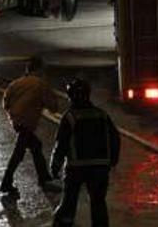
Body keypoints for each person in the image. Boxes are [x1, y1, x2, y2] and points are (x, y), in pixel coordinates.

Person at [50, 78, 121, 227]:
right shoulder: (102, 115)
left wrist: (55, 166)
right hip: (100, 168)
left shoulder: (69, 117)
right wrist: (113, 161)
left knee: (69, 203)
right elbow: (115, 138)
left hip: (76, 168)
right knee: (98, 203)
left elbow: (61, 144)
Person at [0, 56, 60, 195]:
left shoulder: (15, 83)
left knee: (35, 146)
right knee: (19, 153)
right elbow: (53, 107)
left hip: (17, 122)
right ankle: (6, 182)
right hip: (27, 123)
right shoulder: (40, 84)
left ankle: (44, 178)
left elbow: (5, 103)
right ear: (39, 70)